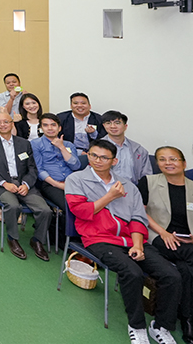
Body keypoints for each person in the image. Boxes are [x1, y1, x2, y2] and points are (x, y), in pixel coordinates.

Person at [66, 140, 181, 344]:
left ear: (114, 161)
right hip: (99, 239)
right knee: (132, 273)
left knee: (171, 275)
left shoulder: (128, 185)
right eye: (93, 155)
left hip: (131, 239)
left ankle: (161, 326)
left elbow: (138, 218)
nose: (97, 161)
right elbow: (80, 212)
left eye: (104, 157)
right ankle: (137, 326)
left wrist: (137, 244)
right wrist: (109, 196)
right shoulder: (76, 179)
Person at [139, 146, 193, 344]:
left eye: (173, 159)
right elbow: (140, 213)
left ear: (184, 163)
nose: (168, 163)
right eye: (162, 159)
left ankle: (186, 319)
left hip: (186, 242)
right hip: (158, 236)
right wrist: (163, 232)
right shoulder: (149, 182)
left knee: (185, 271)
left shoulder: (192, 186)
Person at [0, 112, 52, 261]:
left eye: (6, 121)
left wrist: (26, 184)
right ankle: (12, 238)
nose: (3, 124)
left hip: (24, 184)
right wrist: (4, 183)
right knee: (13, 206)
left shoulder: (24, 143)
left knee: (45, 210)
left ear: (12, 123)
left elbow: (32, 168)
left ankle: (37, 240)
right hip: (1, 185)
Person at [30, 113, 83, 213]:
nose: (50, 128)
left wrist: (62, 147)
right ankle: (63, 228)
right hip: (50, 183)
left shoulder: (68, 145)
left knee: (86, 202)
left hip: (71, 182)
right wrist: (58, 185)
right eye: (45, 125)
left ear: (59, 128)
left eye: (53, 125)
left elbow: (76, 166)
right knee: (69, 205)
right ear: (41, 128)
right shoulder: (35, 144)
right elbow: (39, 169)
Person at [100, 110, 152, 185]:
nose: (113, 126)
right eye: (108, 123)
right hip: (104, 189)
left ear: (125, 126)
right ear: (104, 126)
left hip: (132, 190)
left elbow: (147, 176)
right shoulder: (97, 148)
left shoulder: (138, 150)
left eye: (117, 123)